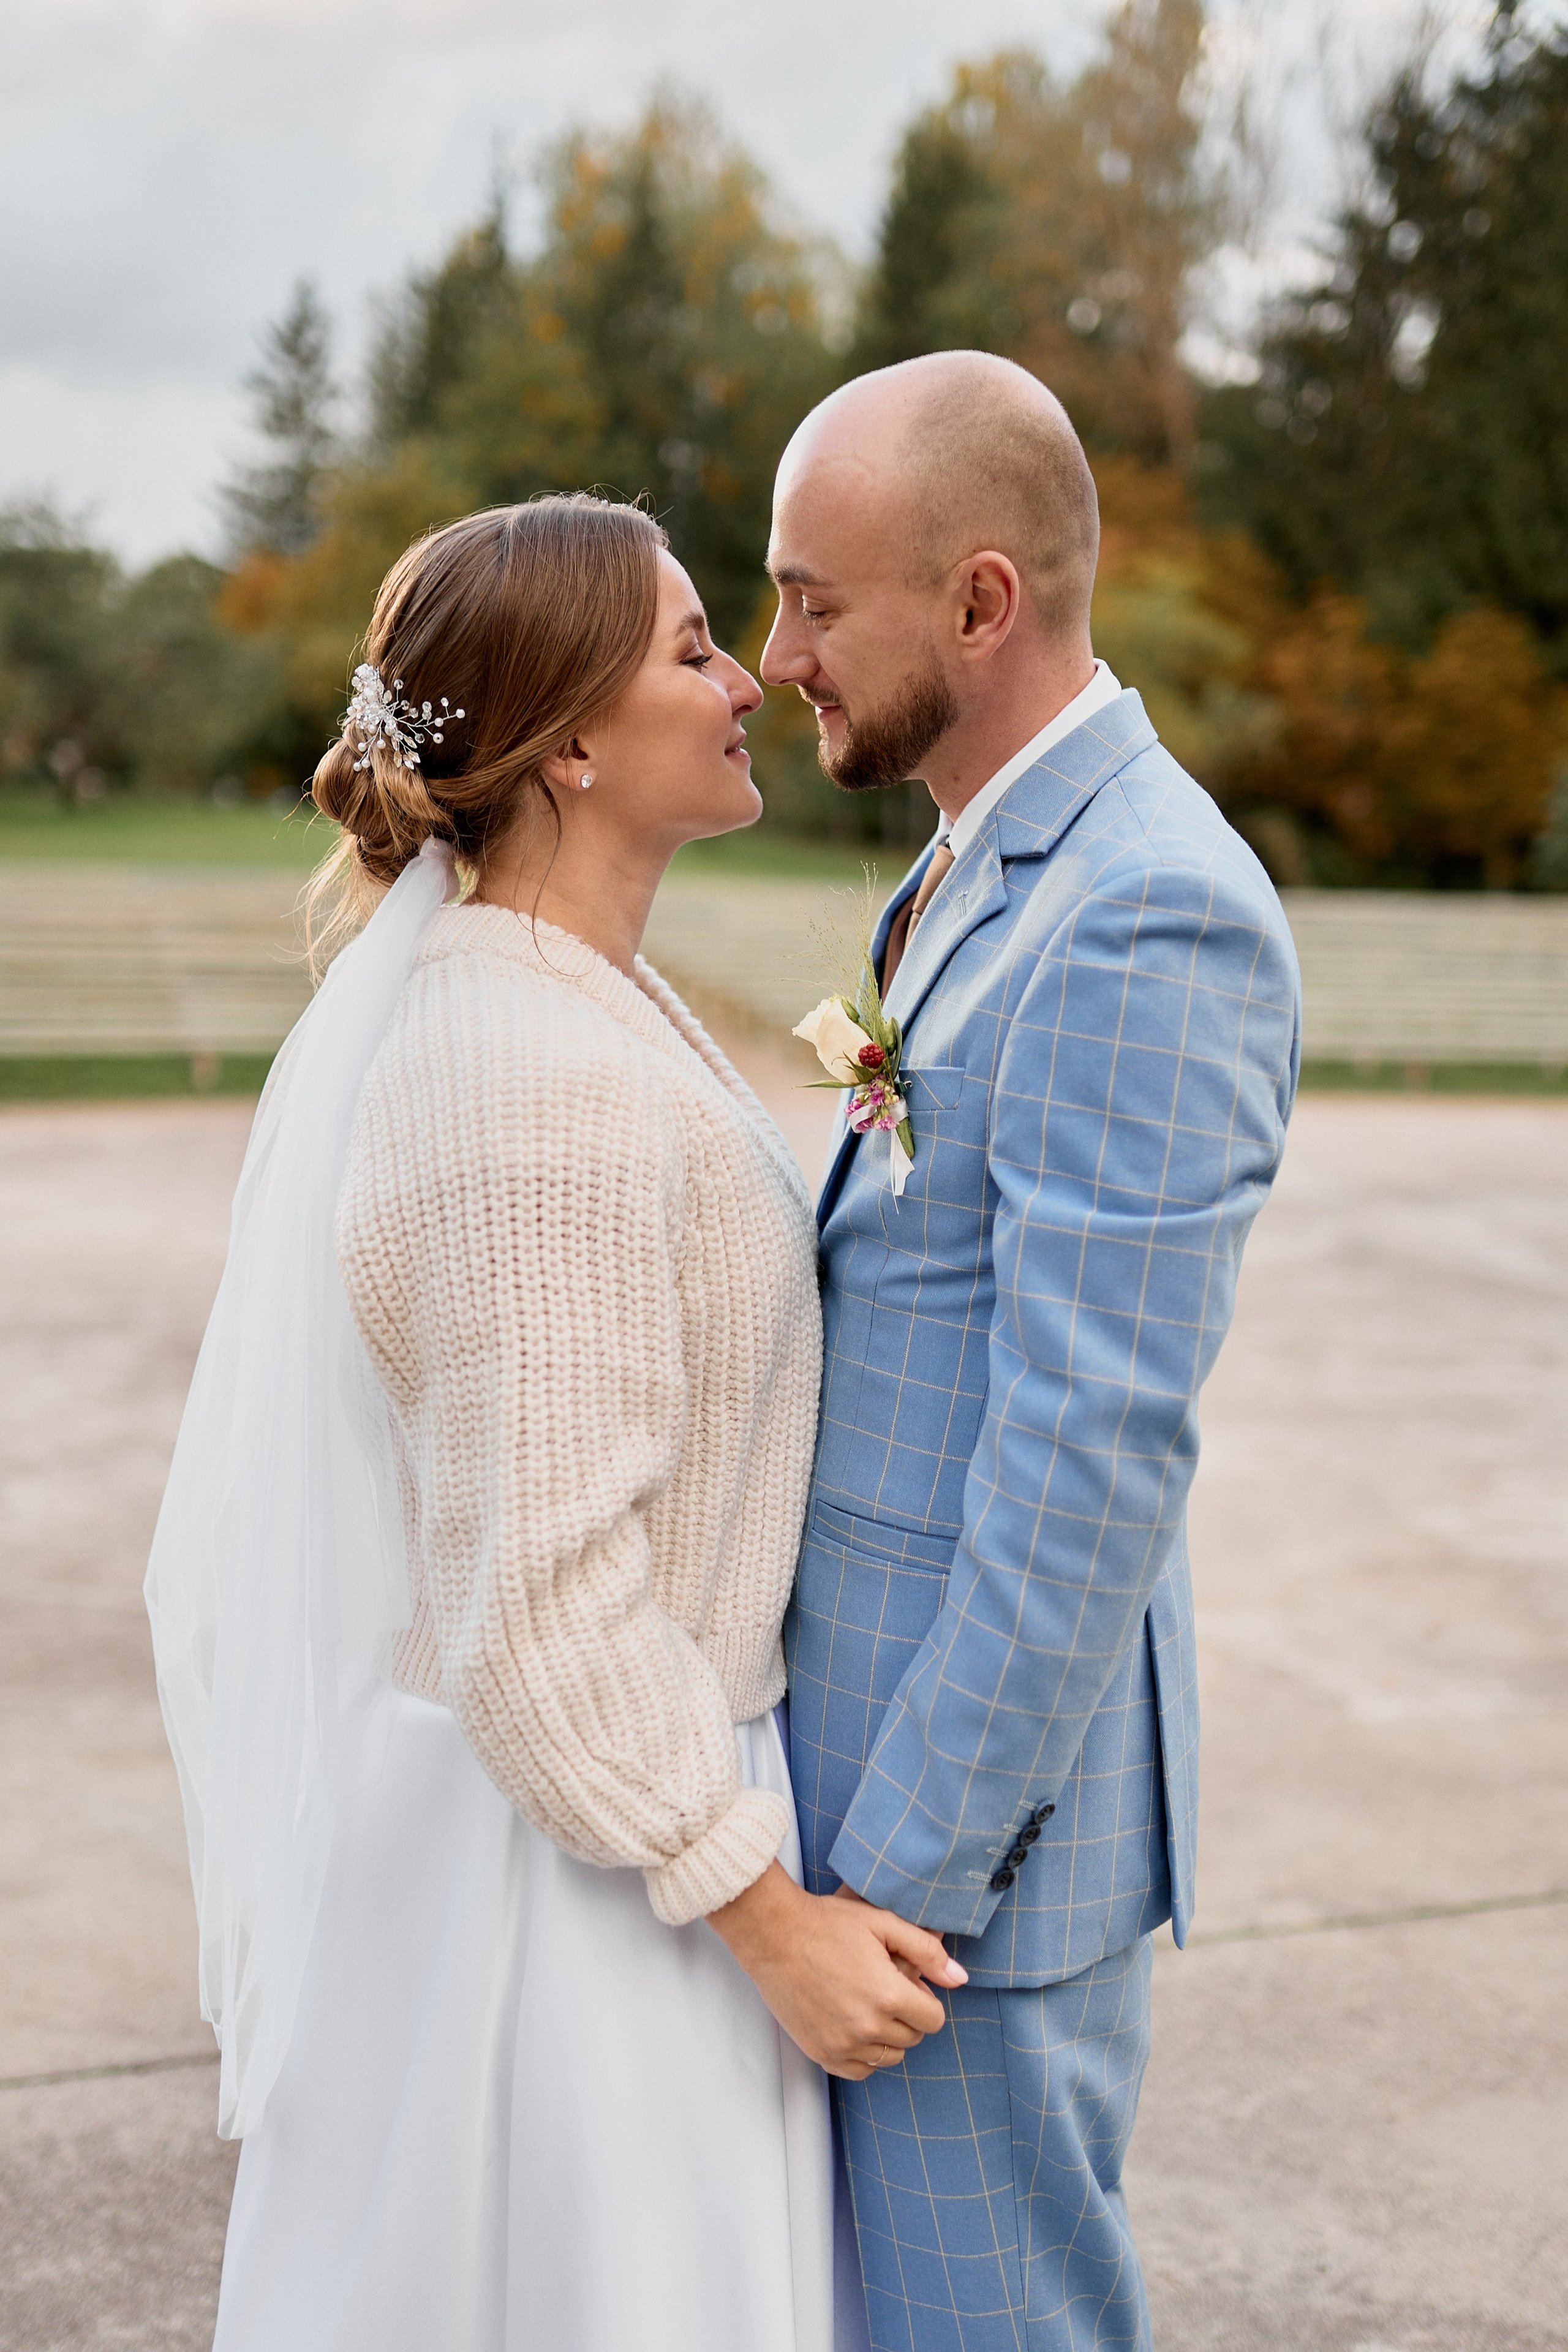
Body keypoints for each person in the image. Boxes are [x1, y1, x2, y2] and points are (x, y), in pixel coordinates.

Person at [144, 493, 968, 2352]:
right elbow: (538, 1609)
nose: (751, 674)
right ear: (572, 742)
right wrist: (771, 1922)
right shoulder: (519, 1077)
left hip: (625, 1848)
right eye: (693, 649)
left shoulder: (585, 997)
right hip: (587, 1917)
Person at [764, 354, 1302, 2350]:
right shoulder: (987, 851)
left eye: (817, 597)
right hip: (870, 1818)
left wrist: (893, 1883)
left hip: (962, 1873)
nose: (778, 650)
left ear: (980, 605)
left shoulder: (1155, 910)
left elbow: (1092, 1456)